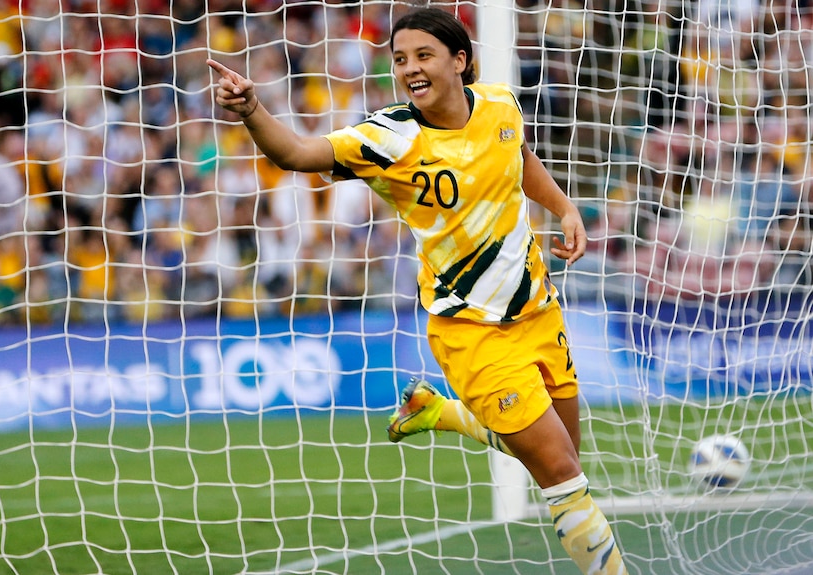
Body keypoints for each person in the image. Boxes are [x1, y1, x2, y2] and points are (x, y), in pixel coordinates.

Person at [208, 7, 628, 574]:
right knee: (562, 474)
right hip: (470, 331)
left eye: (423, 55)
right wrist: (253, 110)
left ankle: (441, 413)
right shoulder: (390, 137)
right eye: (400, 60)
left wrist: (564, 207)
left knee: (561, 454)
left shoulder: (501, 105)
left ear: (460, 61)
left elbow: (517, 156)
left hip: (538, 311)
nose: (410, 69)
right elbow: (297, 156)